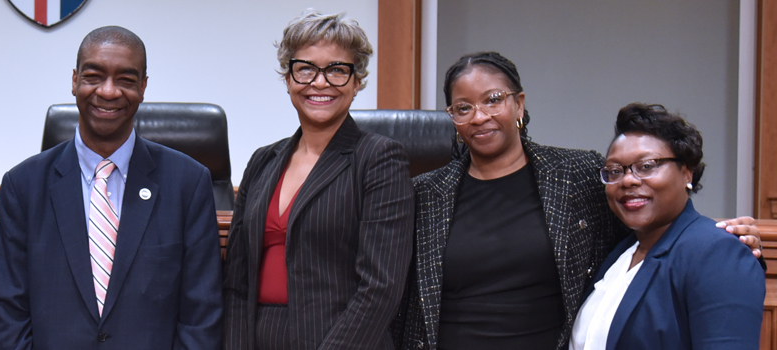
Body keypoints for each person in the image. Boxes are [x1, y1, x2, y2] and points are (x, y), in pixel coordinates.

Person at [393, 51, 763, 350]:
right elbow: (400, 294)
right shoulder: (424, 192)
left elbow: (651, 219)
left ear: (519, 105)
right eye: (463, 108)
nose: (480, 116)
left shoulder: (578, 174)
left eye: (493, 100)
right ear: (452, 118)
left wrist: (724, 238)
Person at [0, 26, 222, 349]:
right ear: (74, 81)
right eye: (94, 76)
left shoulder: (188, 184)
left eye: (125, 79)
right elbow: (9, 316)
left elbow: (201, 316)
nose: (109, 91)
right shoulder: (22, 187)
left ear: (143, 87)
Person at [222, 11, 415, 349]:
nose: (320, 82)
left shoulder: (379, 159)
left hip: (342, 339)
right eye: (306, 69)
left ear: (357, 82)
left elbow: (380, 288)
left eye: (337, 70)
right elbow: (237, 281)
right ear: (288, 79)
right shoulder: (263, 160)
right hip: (259, 337)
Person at [568, 103, 764, 350]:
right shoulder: (620, 252)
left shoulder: (717, 252)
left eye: (646, 166)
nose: (628, 180)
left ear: (687, 172)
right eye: (615, 170)